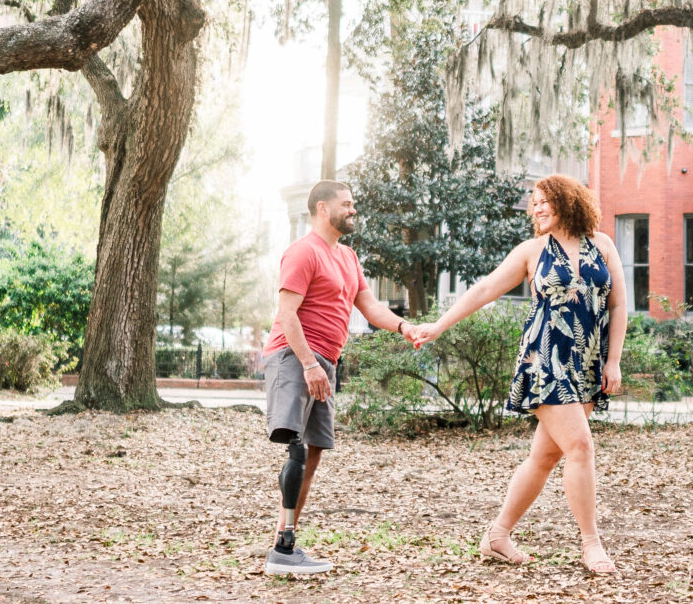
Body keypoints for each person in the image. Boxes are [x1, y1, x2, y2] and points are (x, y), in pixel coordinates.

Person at [411, 173, 626, 574]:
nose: (536, 208)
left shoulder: (603, 245)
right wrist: (438, 325)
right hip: (545, 360)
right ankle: (591, 544)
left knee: (545, 456)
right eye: (534, 202)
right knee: (580, 445)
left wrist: (613, 361)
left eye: (544, 200)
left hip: (588, 362)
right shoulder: (532, 251)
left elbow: (617, 306)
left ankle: (497, 535)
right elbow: (485, 289)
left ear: (568, 201)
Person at [260, 180, 418, 577]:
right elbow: (287, 314)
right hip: (294, 358)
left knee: (313, 451)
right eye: (346, 204)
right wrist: (309, 365)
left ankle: (284, 541)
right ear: (321, 208)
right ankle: (283, 548)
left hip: (324, 362)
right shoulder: (302, 252)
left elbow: (369, 306)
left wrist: (405, 328)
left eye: (353, 204)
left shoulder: (347, 257)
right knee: (295, 446)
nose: (353, 210)